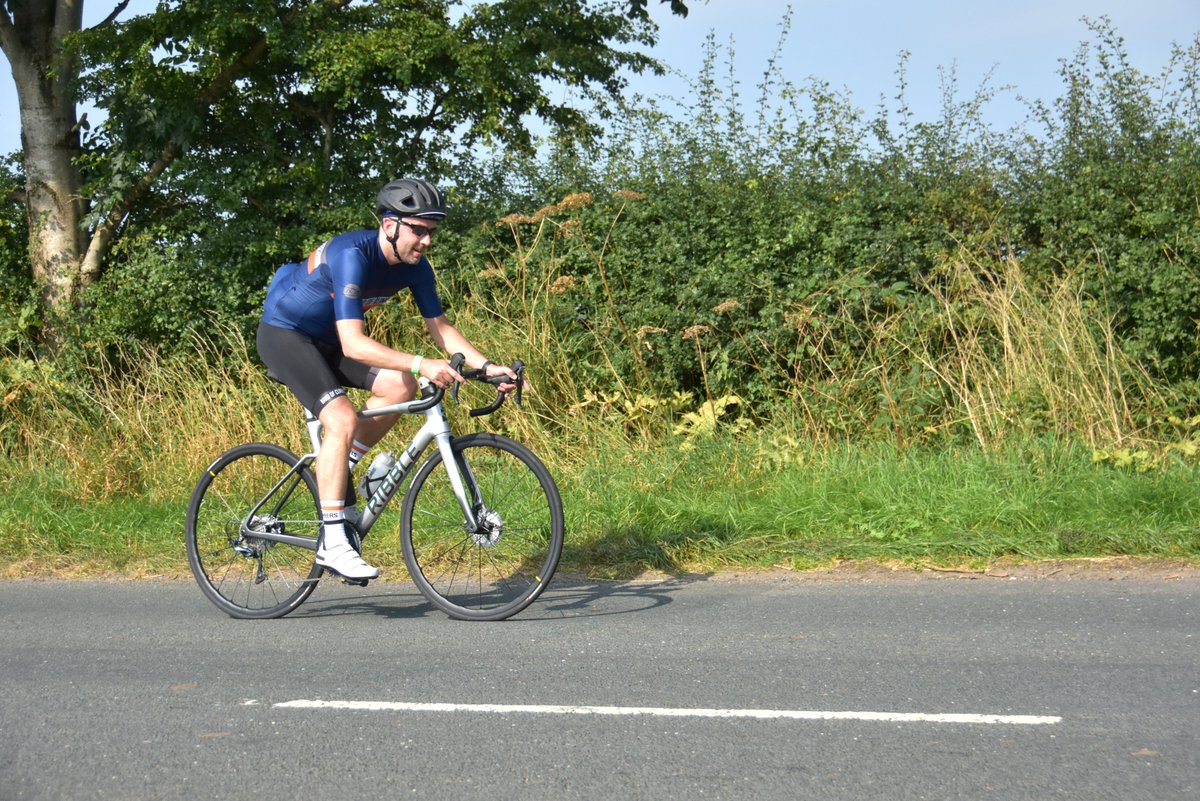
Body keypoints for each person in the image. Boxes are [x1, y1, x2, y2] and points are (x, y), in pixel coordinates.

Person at [256, 178, 517, 581]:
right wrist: (422, 362)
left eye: (432, 232)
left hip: (328, 342)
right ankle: (332, 543)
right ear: (390, 225)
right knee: (340, 419)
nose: (427, 241)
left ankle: (342, 467)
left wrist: (486, 366)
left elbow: (441, 327)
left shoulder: (416, 268)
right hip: (285, 335)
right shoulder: (352, 255)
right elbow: (354, 343)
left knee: (400, 385)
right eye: (419, 230)